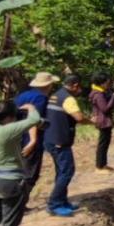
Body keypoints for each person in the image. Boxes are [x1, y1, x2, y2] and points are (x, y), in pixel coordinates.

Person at [13, 72, 57, 223]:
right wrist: (33, 140)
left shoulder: (22, 95)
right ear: (48, 85)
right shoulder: (41, 98)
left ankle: (16, 204)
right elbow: (33, 119)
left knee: (20, 172)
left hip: (16, 138)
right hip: (30, 139)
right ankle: (18, 205)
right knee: (30, 174)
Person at [45, 74, 87, 217]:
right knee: (67, 171)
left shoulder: (55, 95)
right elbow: (79, 118)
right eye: (79, 87)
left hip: (50, 138)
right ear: (75, 85)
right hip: (59, 141)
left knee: (61, 171)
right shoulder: (68, 98)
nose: (79, 90)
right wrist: (92, 121)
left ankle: (62, 201)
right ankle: (54, 204)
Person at [89, 73, 114, 172]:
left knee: (105, 143)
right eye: (107, 82)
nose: (108, 84)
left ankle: (103, 164)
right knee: (102, 144)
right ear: (101, 83)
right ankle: (99, 166)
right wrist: (113, 97)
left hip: (105, 121)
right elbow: (105, 109)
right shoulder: (98, 95)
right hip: (103, 122)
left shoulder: (102, 92)